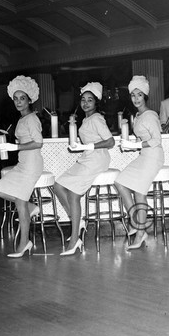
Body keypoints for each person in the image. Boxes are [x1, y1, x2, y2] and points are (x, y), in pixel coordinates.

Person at [54, 82, 115, 255]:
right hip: (87, 158)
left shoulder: (97, 118)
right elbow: (90, 141)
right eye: (83, 99)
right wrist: (81, 147)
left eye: (90, 100)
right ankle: (77, 221)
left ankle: (75, 240)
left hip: (97, 159)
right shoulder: (87, 119)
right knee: (58, 186)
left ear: (96, 103)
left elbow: (110, 142)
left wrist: (87, 147)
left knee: (73, 193)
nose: (86, 103)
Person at [0, 76, 43, 258]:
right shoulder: (22, 119)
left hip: (31, 165)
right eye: (15, 98)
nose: (18, 102)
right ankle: (31, 208)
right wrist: (13, 143)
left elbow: (38, 143)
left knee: (20, 203)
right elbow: (27, 140)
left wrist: (15, 146)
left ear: (29, 99)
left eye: (22, 98)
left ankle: (24, 244)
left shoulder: (31, 118)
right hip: (23, 163)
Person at [115, 76, 164, 250]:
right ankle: (136, 223)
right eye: (133, 95)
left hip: (154, 156)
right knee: (120, 182)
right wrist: (130, 146)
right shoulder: (138, 115)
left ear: (145, 97)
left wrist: (135, 144)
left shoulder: (150, 115)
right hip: (144, 154)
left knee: (139, 192)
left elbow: (156, 140)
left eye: (140, 95)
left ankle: (140, 232)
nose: (136, 99)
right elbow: (142, 139)